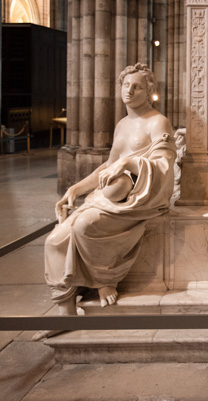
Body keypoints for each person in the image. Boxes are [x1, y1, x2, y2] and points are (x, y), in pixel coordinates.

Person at [35, 63, 176, 340]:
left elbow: (163, 163)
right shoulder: (122, 124)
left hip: (138, 198)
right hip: (109, 196)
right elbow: (107, 166)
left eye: (137, 86)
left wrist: (128, 162)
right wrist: (76, 187)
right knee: (54, 240)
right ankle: (65, 311)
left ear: (150, 91)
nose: (129, 90)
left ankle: (103, 280)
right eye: (125, 85)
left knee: (84, 225)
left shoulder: (157, 121)